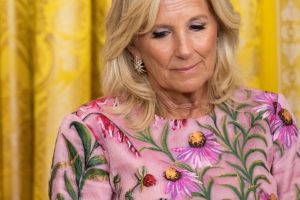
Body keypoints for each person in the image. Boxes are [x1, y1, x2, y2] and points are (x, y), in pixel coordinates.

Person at [49, 0, 300, 199]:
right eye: (161, 33)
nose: (184, 50)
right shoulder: (91, 131)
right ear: (133, 45)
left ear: (218, 29)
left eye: (197, 27)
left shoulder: (269, 116)